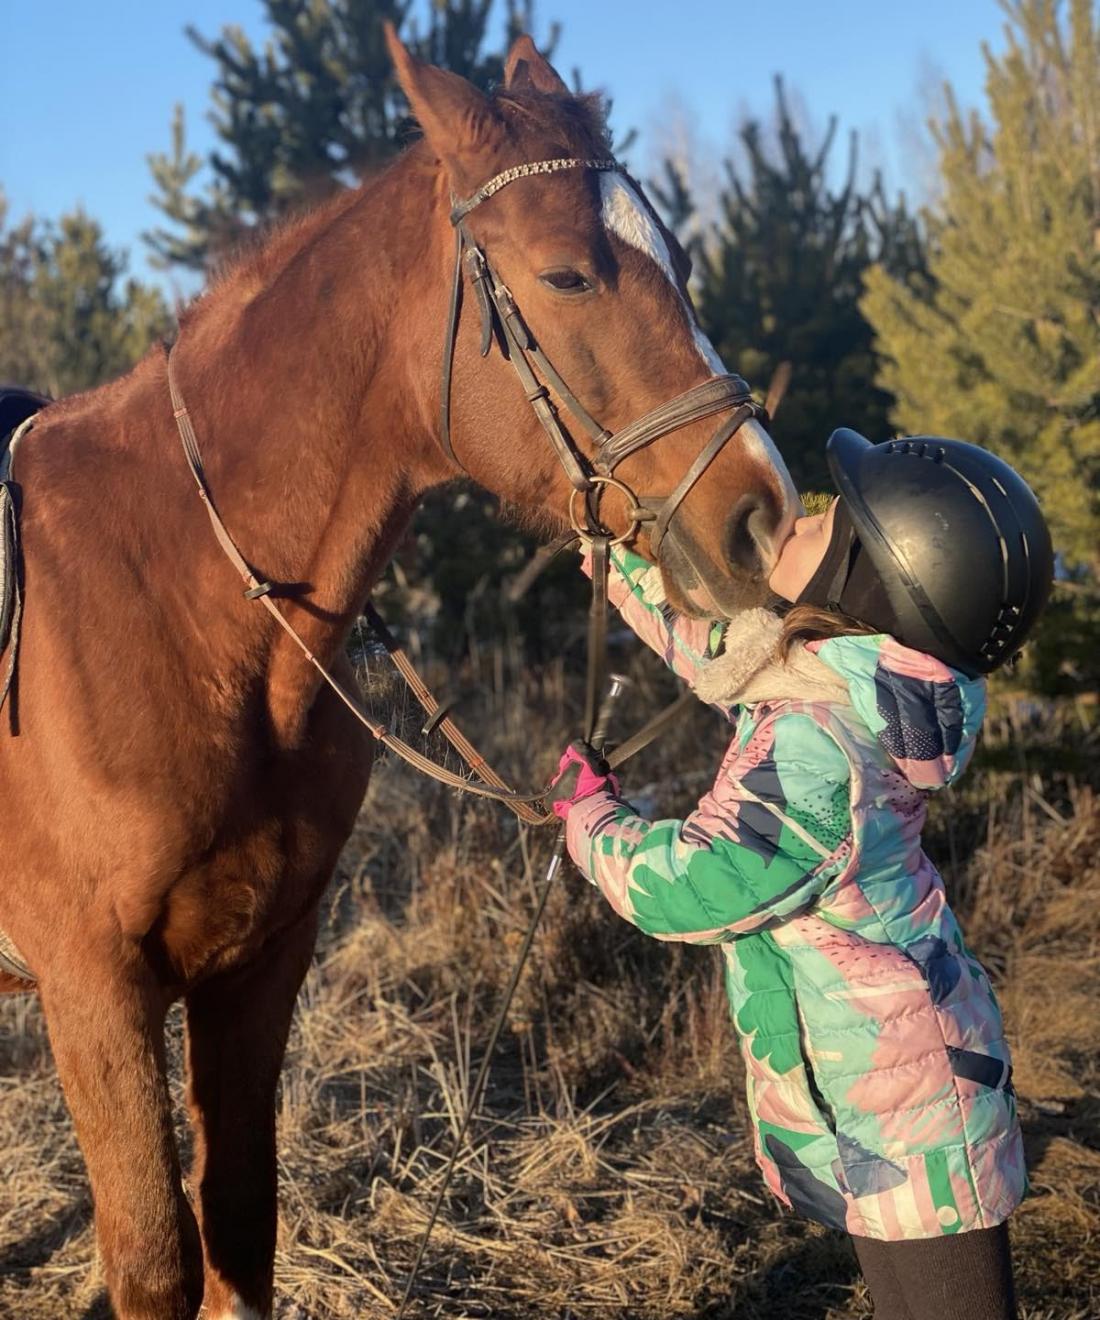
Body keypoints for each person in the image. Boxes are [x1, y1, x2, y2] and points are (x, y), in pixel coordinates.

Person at [549, 429, 1054, 1320]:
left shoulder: (823, 748)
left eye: (828, 517)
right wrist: (616, 562)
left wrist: (590, 819)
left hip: (913, 1116)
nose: (801, 515)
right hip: (895, 1083)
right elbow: (717, 651)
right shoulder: (852, 681)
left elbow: (690, 888)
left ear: (873, 578)